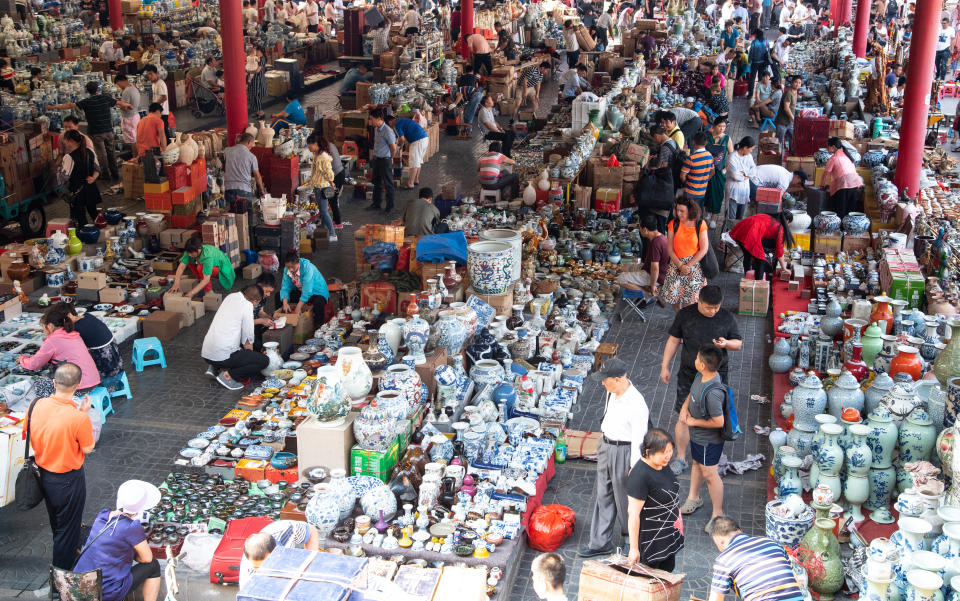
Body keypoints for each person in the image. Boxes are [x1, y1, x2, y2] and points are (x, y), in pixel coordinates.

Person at [660, 284, 742, 475]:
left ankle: (712, 455)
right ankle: (680, 458)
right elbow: (673, 340)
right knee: (683, 416)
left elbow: (738, 343)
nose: (713, 311)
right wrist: (665, 366)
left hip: (716, 378)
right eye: (708, 307)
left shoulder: (726, 318)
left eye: (716, 307)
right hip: (689, 375)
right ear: (699, 301)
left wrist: (726, 343)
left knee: (715, 417)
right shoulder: (685, 315)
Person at [24, 363, 95, 570]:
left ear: (54, 383)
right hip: (68, 480)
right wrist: (84, 414)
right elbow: (88, 448)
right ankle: (61, 578)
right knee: (68, 529)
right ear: (78, 385)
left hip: (44, 476)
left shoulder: (35, 404)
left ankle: (67, 560)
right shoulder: (78, 418)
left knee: (58, 524)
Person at [578, 358, 649, 558]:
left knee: (625, 498)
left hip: (624, 451)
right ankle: (600, 541)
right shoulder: (611, 392)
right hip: (606, 446)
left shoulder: (637, 403)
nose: (602, 383)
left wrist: (634, 467)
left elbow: (639, 439)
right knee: (603, 494)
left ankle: (630, 539)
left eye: (605, 379)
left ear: (618, 379)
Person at [72, 480, 162, 601]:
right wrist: (134, 555)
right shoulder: (132, 527)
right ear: (138, 510)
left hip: (80, 583)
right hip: (104, 591)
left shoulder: (102, 515)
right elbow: (147, 558)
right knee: (153, 566)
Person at [678, 345, 728, 532]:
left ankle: (717, 514)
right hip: (697, 437)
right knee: (697, 464)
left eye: (698, 358)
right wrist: (684, 408)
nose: (695, 359)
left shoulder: (714, 393)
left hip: (709, 441)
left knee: (710, 475)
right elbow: (692, 393)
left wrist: (693, 422)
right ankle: (694, 498)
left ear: (702, 365)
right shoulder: (701, 376)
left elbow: (719, 422)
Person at [626, 429, 684, 571]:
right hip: (651, 542)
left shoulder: (662, 465)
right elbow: (633, 514)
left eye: (670, 451)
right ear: (648, 452)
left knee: (668, 573)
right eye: (663, 452)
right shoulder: (640, 476)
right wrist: (634, 549)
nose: (668, 456)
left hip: (668, 534)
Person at [708, 517, 805, 601]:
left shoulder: (724, 560)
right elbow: (797, 581)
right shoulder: (771, 542)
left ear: (719, 541)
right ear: (739, 530)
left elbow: (715, 599)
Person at [47, 81, 120, 182]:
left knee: (101, 154)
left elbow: (70, 105)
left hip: (96, 132)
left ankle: (105, 175)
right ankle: (115, 174)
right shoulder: (106, 98)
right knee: (111, 152)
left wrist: (54, 107)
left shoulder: (86, 102)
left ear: (87, 91)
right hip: (108, 130)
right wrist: (128, 105)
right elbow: (119, 103)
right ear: (97, 89)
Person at [19, 304, 101, 393]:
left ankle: (54, 405)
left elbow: (34, 364)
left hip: (79, 387)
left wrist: (22, 359)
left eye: (43, 328)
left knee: (38, 385)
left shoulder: (52, 340)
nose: (44, 331)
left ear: (50, 326)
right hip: (94, 381)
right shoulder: (73, 334)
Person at [202, 285, 267, 390]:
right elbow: (248, 341)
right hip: (222, 355)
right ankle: (228, 375)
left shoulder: (231, 296)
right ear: (255, 301)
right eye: (257, 303)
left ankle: (213, 367)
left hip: (207, 353)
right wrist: (251, 358)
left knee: (232, 346)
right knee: (263, 361)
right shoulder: (247, 306)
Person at [239, 522, 322, 588]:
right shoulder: (248, 581)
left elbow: (311, 530)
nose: (263, 569)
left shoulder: (286, 531)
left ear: (276, 550)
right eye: (258, 568)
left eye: (267, 565)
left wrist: (311, 563)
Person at [661, 198, 709, 311]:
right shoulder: (673, 224)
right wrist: (680, 266)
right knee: (675, 299)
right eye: (677, 210)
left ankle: (688, 322)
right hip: (676, 265)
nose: (678, 213)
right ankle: (680, 318)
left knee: (691, 300)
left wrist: (688, 266)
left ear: (690, 210)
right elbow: (670, 248)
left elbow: (703, 249)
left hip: (694, 266)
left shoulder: (700, 224)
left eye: (682, 211)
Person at [61, 304, 123, 383]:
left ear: (69, 315)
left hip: (107, 367)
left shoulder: (77, 327)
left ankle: (103, 389)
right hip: (116, 358)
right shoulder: (87, 316)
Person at [617, 214, 670, 299]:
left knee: (620, 279)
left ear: (645, 230)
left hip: (655, 276)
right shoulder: (661, 236)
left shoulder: (656, 243)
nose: (639, 230)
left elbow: (655, 268)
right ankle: (640, 287)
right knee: (625, 267)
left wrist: (653, 285)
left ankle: (645, 293)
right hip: (650, 269)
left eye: (639, 228)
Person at [59, 130, 103, 228]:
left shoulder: (69, 157)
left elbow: (63, 178)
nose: (64, 143)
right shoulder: (90, 151)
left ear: (71, 141)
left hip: (78, 191)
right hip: (91, 188)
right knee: (94, 213)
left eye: (65, 140)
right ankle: (101, 233)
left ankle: (86, 237)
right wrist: (93, 178)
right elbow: (97, 169)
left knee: (81, 217)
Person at [729, 211, 795, 276]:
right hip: (750, 233)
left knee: (748, 255)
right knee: (761, 261)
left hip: (741, 229)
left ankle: (747, 278)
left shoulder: (769, 217)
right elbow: (780, 250)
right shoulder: (779, 227)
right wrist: (784, 268)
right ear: (787, 221)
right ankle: (758, 283)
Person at [171, 235, 237, 299]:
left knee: (200, 268)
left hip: (223, 271)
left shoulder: (207, 256)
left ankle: (209, 291)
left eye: (191, 253)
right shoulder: (190, 251)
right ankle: (200, 280)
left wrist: (191, 293)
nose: (189, 254)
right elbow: (181, 267)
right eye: (188, 252)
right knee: (188, 261)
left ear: (199, 249)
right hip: (211, 267)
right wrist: (176, 283)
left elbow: (206, 279)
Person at [305, 134, 338, 242]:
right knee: (323, 210)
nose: (308, 147)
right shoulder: (316, 155)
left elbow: (329, 173)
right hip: (318, 186)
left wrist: (330, 181)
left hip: (322, 188)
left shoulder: (323, 157)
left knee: (324, 211)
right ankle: (324, 230)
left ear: (315, 144)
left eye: (310, 145)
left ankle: (333, 234)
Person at [821, 136, 864, 218]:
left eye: (828, 146)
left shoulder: (834, 158)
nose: (827, 148)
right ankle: (848, 229)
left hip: (844, 185)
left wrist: (822, 186)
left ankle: (840, 229)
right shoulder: (846, 155)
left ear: (833, 147)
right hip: (854, 184)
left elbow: (825, 174)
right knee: (850, 211)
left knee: (840, 210)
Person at [704, 117, 734, 229]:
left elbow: (732, 155)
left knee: (717, 194)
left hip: (719, 172)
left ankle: (714, 218)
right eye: (719, 126)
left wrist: (726, 169)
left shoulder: (727, 139)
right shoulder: (707, 136)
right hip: (706, 170)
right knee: (707, 192)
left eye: (724, 127)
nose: (722, 129)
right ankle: (706, 212)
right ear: (714, 126)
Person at [223, 132, 265, 212]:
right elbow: (257, 176)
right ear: (249, 142)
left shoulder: (227, 151)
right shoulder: (252, 157)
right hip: (243, 190)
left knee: (231, 216)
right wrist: (261, 189)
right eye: (252, 144)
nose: (251, 147)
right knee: (246, 217)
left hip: (228, 189)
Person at [386, 114, 429, 189]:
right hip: (424, 138)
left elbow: (402, 139)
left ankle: (410, 184)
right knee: (418, 161)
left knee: (413, 163)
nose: (390, 128)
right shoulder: (401, 120)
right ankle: (415, 179)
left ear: (390, 122)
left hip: (417, 140)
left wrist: (398, 147)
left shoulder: (396, 124)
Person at [367, 108, 397, 213]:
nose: (370, 121)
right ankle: (376, 203)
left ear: (378, 119)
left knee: (388, 184)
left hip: (385, 160)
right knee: (377, 182)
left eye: (371, 119)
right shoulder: (376, 129)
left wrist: (391, 158)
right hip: (377, 159)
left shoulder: (387, 131)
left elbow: (393, 148)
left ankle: (389, 206)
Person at [725, 136, 757, 222]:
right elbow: (736, 176)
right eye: (751, 149)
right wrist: (747, 175)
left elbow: (754, 170)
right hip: (733, 193)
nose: (751, 151)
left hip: (745, 193)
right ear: (745, 147)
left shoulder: (749, 156)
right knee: (731, 220)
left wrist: (744, 174)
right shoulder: (732, 157)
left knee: (740, 220)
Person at [682, 133, 715, 209]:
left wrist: (687, 184)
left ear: (693, 142)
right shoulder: (710, 156)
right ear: (706, 143)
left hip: (689, 193)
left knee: (688, 212)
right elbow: (712, 173)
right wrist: (703, 181)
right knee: (698, 212)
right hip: (702, 192)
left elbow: (682, 176)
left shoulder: (691, 158)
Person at [114, 75, 141, 153]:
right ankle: (138, 158)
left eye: (118, 84)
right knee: (135, 138)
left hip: (129, 117)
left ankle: (136, 158)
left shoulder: (127, 91)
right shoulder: (134, 88)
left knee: (133, 141)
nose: (118, 87)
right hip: (135, 115)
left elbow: (125, 107)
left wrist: (117, 105)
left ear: (120, 81)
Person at [143, 65, 170, 140]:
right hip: (157, 112)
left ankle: (169, 147)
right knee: (159, 132)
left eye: (151, 74)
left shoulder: (160, 83)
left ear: (157, 73)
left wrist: (154, 106)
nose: (149, 76)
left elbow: (164, 97)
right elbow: (156, 97)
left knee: (164, 132)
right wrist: (151, 102)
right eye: (148, 74)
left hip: (162, 113)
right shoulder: (154, 84)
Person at [775, 75, 801, 150]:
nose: (798, 84)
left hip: (789, 122)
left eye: (799, 83)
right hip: (782, 122)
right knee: (779, 143)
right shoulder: (789, 93)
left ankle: (790, 156)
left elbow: (792, 107)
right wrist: (794, 119)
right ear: (792, 83)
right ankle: (778, 160)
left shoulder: (795, 92)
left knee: (792, 139)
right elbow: (786, 108)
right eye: (796, 82)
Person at [252, 273, 277, 351]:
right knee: (258, 344)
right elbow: (242, 322)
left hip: (256, 324)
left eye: (270, 292)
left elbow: (260, 312)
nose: (268, 294)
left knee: (272, 334)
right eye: (267, 291)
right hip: (246, 328)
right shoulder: (249, 296)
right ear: (259, 285)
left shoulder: (263, 296)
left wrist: (271, 318)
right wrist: (261, 321)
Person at [746, 29, 770, 97]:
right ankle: (760, 94)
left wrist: (749, 61)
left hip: (755, 62)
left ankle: (750, 94)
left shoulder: (754, 42)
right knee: (760, 79)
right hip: (763, 62)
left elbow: (751, 52)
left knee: (752, 78)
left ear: (756, 34)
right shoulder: (766, 40)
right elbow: (768, 50)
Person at [247, 45, 267, 119]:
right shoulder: (255, 58)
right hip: (253, 79)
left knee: (257, 96)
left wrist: (249, 70)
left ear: (260, 51)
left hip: (258, 80)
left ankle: (261, 113)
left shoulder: (262, 59)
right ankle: (256, 112)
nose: (255, 52)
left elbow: (257, 70)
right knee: (252, 96)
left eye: (256, 51)